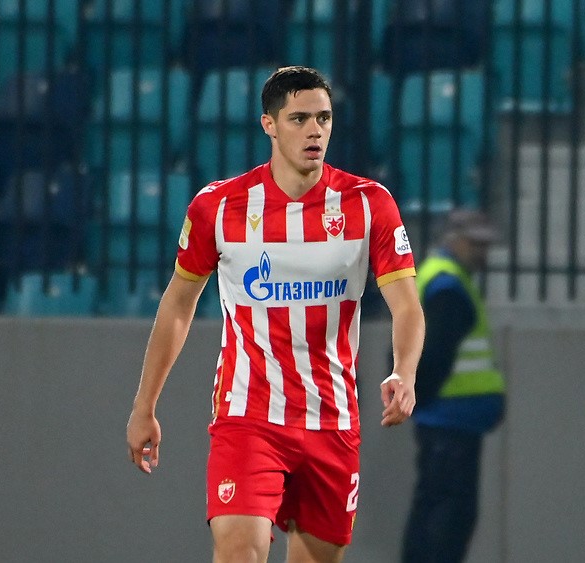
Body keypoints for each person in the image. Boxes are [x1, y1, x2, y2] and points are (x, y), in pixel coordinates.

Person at [126, 66, 425, 563]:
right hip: (249, 418)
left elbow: (407, 304)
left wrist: (404, 371)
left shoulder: (368, 204)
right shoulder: (219, 207)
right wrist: (144, 405)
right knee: (239, 551)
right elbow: (178, 303)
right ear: (269, 124)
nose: (315, 131)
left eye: (324, 118)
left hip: (332, 420)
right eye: (299, 118)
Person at [400, 209, 506, 563]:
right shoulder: (449, 286)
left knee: (436, 507)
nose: (482, 253)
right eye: (475, 244)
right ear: (454, 240)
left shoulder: (441, 278)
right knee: (449, 515)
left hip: (448, 420)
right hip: (449, 420)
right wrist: (424, 399)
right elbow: (434, 355)